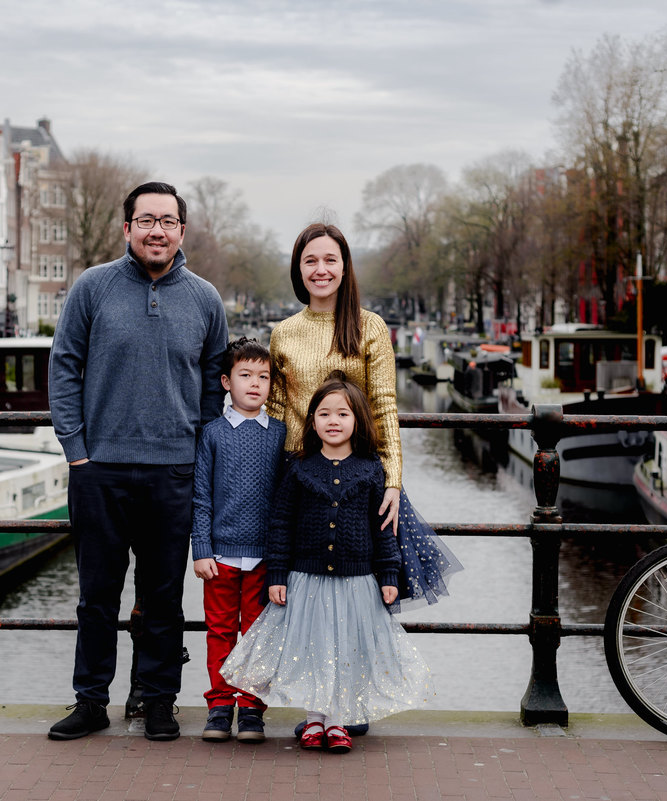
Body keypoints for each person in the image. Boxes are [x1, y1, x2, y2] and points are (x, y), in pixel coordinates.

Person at [47, 181, 229, 742]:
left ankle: (158, 701)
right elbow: (64, 368)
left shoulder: (205, 299)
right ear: (127, 229)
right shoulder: (92, 288)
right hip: (98, 471)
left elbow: (212, 388)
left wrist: (197, 458)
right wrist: (76, 452)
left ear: (181, 231)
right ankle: (91, 700)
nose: (157, 230)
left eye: (168, 221)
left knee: (164, 597)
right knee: (97, 596)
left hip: (172, 473)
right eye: (146, 220)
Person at [220, 373, 434, 753]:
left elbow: (383, 528)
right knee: (315, 649)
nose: (333, 421)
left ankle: (338, 720)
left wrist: (388, 574)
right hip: (307, 579)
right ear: (312, 421)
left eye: (343, 414)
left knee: (346, 649)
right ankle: (314, 719)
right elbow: (281, 524)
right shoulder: (300, 468)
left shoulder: (371, 470)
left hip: (357, 581)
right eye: (324, 414)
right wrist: (277, 574)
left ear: (358, 421)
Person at [266, 221, 461, 611]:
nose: (320, 270)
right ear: (297, 269)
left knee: (363, 595)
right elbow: (275, 411)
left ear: (344, 266)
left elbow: (384, 403)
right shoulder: (283, 333)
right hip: (299, 474)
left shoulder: (369, 326)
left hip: (357, 474)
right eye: (310, 261)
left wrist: (393, 479)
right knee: (300, 593)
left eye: (330, 260)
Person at [190, 337, 286, 743]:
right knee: (221, 633)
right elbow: (201, 496)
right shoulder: (212, 434)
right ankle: (219, 706)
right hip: (220, 559)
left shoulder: (279, 434)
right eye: (245, 375)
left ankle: (251, 709)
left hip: (263, 558)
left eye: (263, 377)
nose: (255, 383)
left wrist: (282, 559)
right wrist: (201, 549)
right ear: (226, 382)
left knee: (259, 636)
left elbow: (284, 503)